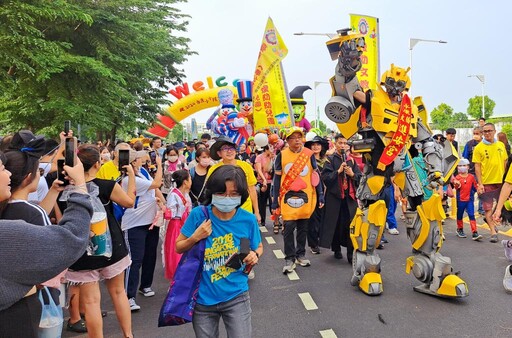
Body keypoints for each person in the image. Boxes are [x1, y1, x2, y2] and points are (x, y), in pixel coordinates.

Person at [0, 151, 93, 338]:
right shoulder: (8, 235)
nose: (8, 173)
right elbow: (72, 238)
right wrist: (80, 187)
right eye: (2, 168)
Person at [176, 165, 262, 338]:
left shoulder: (248, 220)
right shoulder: (198, 215)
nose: (227, 198)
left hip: (237, 295)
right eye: (222, 193)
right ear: (212, 192)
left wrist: (255, 255)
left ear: (241, 195)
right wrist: (195, 237)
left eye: (233, 194)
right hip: (202, 299)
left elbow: (257, 246)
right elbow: (178, 246)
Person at [65, 144, 135, 338]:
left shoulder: (64, 190)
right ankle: (128, 335)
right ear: (97, 163)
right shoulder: (106, 186)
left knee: (91, 302)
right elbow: (129, 202)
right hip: (112, 245)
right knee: (118, 293)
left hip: (80, 249)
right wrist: (130, 177)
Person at [272, 127, 324, 273]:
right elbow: (276, 180)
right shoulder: (281, 156)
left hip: (306, 196)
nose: (297, 140)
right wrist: (275, 201)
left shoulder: (309, 154)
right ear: (287, 141)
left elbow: (315, 175)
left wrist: (320, 194)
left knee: (303, 227)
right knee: (288, 228)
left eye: (299, 137)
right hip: (287, 197)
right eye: (293, 137)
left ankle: (301, 254)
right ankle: (289, 258)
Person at [121, 149, 163, 311]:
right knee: (135, 259)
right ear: (134, 161)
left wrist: (159, 200)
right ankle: (128, 295)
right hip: (135, 223)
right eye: (140, 158)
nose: (145, 160)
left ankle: (145, 285)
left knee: (150, 256)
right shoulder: (128, 179)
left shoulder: (143, 173)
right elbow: (157, 184)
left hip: (150, 221)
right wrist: (159, 166)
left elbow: (152, 191)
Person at [320, 134, 361, 262]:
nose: (342, 145)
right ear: (335, 144)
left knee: (350, 225)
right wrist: (337, 172)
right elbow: (325, 178)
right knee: (335, 224)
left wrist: (352, 174)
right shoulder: (330, 160)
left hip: (349, 197)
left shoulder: (351, 160)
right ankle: (336, 249)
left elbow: (360, 178)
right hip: (335, 197)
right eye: (340, 143)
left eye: (344, 143)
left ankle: (350, 253)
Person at [208, 135, 261, 224]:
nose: (229, 151)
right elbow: (210, 192)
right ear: (219, 153)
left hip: (245, 211)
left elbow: (252, 190)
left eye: (231, 148)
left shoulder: (246, 166)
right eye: (225, 148)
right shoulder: (213, 170)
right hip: (222, 213)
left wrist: (256, 211)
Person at [473, 122, 507, 243]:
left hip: (502, 183)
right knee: (487, 208)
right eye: (485, 131)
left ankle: (490, 220)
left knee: (503, 206)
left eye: (489, 131)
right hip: (486, 182)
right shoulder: (478, 148)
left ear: (494, 131)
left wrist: (506, 180)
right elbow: (477, 167)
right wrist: (480, 184)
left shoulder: (501, 145)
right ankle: (493, 232)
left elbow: (505, 162)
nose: (487, 133)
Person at [163, 169, 192, 281]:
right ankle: (176, 279)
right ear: (185, 181)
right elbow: (171, 213)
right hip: (176, 225)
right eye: (189, 179)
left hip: (184, 223)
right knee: (176, 253)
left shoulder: (184, 194)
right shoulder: (174, 194)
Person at [304, 135, 328, 254]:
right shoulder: (305, 161)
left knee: (323, 218)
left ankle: (321, 239)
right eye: (313, 145)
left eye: (318, 144)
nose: (316, 147)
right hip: (312, 193)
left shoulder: (328, 160)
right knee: (312, 219)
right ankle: (313, 244)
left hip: (328, 193)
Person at [452, 158, 482, 241]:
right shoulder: (457, 178)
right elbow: (456, 187)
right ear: (457, 167)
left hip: (470, 200)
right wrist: (456, 183)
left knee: (472, 215)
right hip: (460, 200)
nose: (462, 167)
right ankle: (460, 229)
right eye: (460, 166)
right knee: (460, 215)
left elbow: (475, 186)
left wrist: (479, 189)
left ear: (468, 167)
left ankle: (475, 232)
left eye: (464, 165)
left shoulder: (471, 177)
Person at [254, 145, 274, 227]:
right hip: (262, 182)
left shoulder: (273, 157)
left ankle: (275, 220)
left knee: (273, 201)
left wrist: (272, 158)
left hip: (271, 182)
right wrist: (264, 180)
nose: (272, 149)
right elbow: (259, 170)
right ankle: (262, 220)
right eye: (270, 148)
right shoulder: (259, 157)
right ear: (266, 149)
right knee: (262, 202)